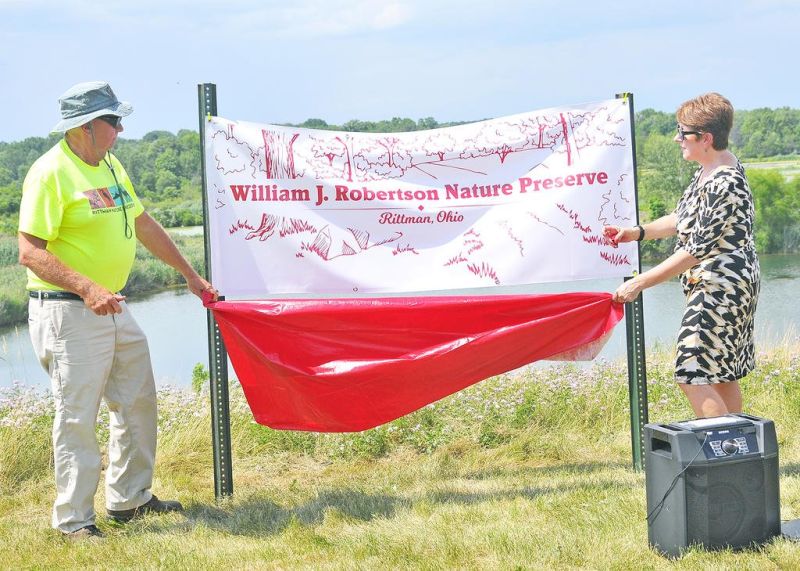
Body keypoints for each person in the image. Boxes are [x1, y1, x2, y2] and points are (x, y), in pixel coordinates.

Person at [18, 81, 218, 539]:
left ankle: (130, 499)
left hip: (113, 305)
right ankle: (73, 521)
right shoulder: (50, 172)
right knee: (77, 414)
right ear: (86, 127)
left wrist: (188, 273)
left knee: (137, 400)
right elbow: (29, 252)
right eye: (113, 121)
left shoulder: (110, 163)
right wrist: (87, 288)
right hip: (69, 311)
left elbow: (143, 222)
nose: (121, 128)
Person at [603, 92, 759, 419]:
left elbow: (696, 250)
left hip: (720, 287)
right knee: (721, 372)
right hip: (721, 284)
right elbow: (681, 218)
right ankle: (738, 455)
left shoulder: (725, 181)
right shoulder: (710, 170)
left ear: (706, 138)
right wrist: (638, 231)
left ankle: (722, 451)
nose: (677, 139)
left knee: (691, 371)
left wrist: (640, 282)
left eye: (683, 133)